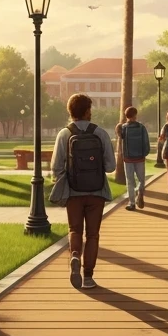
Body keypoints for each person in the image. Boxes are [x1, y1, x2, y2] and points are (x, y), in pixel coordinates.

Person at [49, 93, 116, 290]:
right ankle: (88, 277)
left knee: (75, 230)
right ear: (87, 111)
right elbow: (111, 166)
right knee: (93, 234)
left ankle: (75, 255)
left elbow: (56, 168)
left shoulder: (64, 134)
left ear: (70, 111)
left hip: (73, 192)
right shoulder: (101, 133)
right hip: (96, 192)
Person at [117, 106, 150, 211]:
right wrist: (144, 153)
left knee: (130, 181)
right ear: (135, 115)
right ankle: (140, 191)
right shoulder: (141, 127)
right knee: (141, 180)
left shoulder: (124, 128)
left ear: (126, 116)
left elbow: (120, 137)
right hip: (140, 158)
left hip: (128, 158)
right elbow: (146, 142)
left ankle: (131, 203)